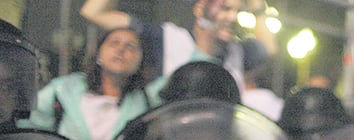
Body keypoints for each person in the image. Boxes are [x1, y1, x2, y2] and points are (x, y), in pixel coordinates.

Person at [19, 26, 162, 140]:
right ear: (99, 54)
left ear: (140, 62)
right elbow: (28, 135)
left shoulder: (149, 102)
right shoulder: (61, 91)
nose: (121, 50)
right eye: (114, 43)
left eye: (130, 46)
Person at [80, 0, 275, 91]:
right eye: (225, 8)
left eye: (238, 11)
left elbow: (270, 49)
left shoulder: (238, 53)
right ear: (200, 8)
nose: (233, 18)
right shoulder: (166, 38)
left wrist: (258, 8)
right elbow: (94, 12)